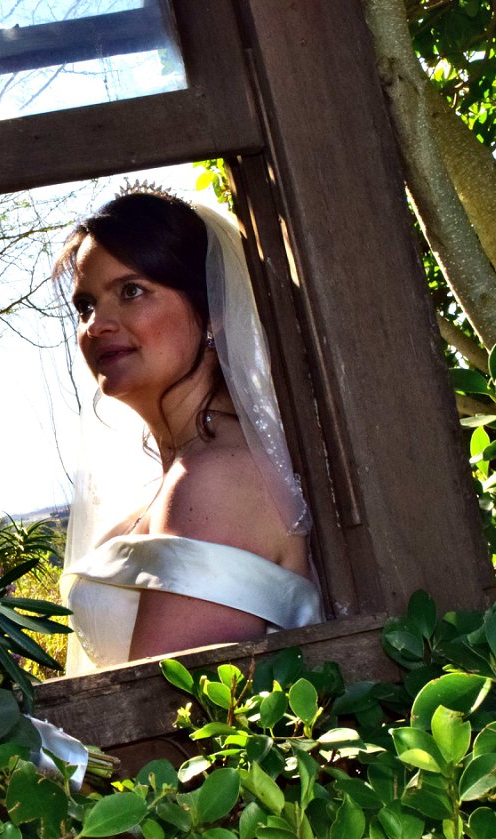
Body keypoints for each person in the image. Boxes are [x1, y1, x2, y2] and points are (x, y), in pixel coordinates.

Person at [56, 187, 323, 673]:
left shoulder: (219, 480)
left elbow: (165, 709)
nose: (96, 326)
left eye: (131, 291)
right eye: (86, 306)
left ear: (212, 306)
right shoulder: (177, 480)